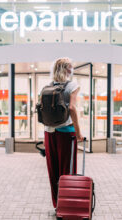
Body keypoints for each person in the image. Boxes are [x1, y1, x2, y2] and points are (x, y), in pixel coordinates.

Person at [43, 57, 84, 209]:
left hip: (49, 132)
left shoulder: (48, 85)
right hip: (66, 133)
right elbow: (72, 108)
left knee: (53, 170)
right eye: (71, 66)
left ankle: (57, 204)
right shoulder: (73, 85)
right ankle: (67, 204)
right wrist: (79, 133)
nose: (72, 69)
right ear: (66, 69)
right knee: (67, 170)